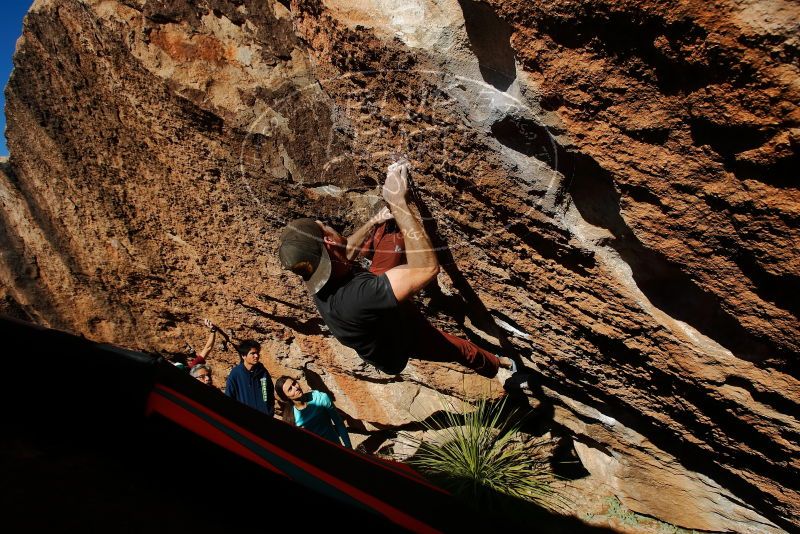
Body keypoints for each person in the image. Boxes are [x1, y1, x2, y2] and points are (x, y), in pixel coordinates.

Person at [278, 160, 516, 382]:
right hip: (400, 340)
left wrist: (374, 222)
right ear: (328, 242)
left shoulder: (321, 276)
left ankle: (391, 234)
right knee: (459, 349)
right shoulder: (358, 298)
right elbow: (426, 269)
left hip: (375, 309)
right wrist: (398, 202)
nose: (328, 225)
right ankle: (501, 367)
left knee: (391, 234)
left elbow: (345, 251)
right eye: (325, 226)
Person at [275, 376, 352, 448]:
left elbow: (339, 423)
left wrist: (348, 447)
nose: (296, 388)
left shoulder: (320, 398)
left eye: (294, 383)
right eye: (290, 389)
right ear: (286, 397)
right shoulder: (291, 418)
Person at [225, 340, 275, 416]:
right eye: (252, 353)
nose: (256, 356)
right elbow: (229, 396)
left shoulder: (263, 372)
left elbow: (270, 393)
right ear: (243, 356)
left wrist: (269, 411)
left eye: (257, 353)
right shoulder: (235, 374)